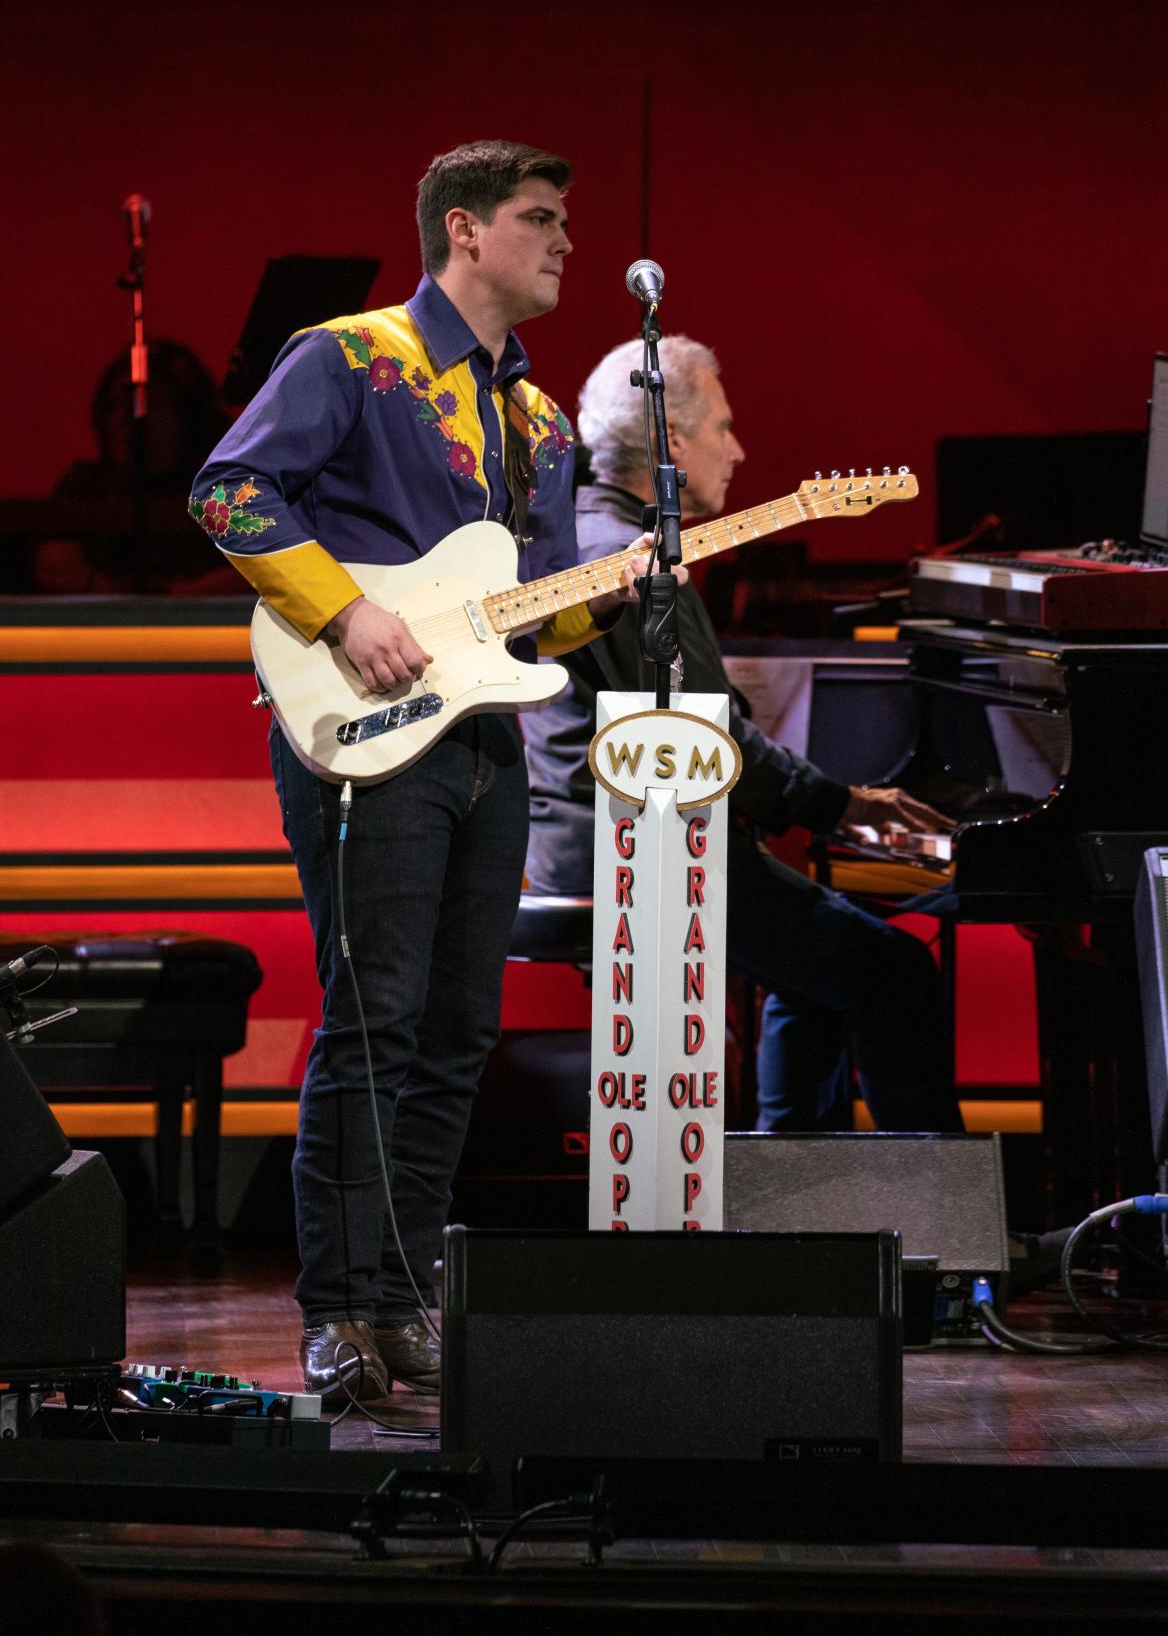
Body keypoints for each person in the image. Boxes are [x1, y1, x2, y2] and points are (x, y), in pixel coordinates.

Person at [189, 140, 654, 1405]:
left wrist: (616, 595)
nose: (565, 243)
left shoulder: (541, 417)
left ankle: (401, 1296)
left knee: (455, 1031)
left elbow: (535, 619)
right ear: (462, 230)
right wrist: (344, 613)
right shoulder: (352, 356)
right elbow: (228, 492)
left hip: (486, 742)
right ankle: (339, 1308)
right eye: (540, 218)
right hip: (367, 726)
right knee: (374, 1018)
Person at [523, 334, 967, 1136]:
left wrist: (825, 804)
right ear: (671, 442)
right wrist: (839, 804)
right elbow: (706, 734)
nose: (739, 448)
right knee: (893, 970)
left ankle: (797, 1186)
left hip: (617, 837)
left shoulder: (590, 535)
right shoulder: (627, 559)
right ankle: (932, 1209)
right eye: (722, 427)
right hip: (637, 857)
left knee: (823, 971)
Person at [34, 341, 245, 595]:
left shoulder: (224, 486)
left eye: (150, 403)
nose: (125, 417)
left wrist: (174, 602)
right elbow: (55, 566)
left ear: (188, 415)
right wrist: (124, 606)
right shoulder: (85, 484)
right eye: (115, 404)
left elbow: (264, 567)